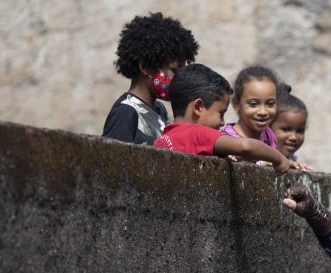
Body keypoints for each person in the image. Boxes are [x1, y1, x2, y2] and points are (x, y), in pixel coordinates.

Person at [152, 64, 301, 174]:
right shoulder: (197, 133)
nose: (222, 122)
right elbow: (246, 146)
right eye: (221, 113)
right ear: (198, 107)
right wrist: (280, 159)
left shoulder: (164, 138)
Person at [102, 13, 199, 145]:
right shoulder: (126, 112)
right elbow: (111, 161)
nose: (179, 78)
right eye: (174, 70)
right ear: (145, 67)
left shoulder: (159, 110)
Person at [221, 65, 280, 161]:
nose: (263, 112)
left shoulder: (268, 135)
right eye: (253, 104)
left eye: (270, 104)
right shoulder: (226, 140)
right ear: (237, 104)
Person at [272, 85, 309, 164]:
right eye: (286, 129)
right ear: (268, 128)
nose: (294, 137)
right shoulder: (256, 159)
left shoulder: (293, 161)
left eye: (300, 131)